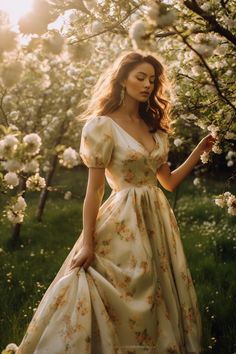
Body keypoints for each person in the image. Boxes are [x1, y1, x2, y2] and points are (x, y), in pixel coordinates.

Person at [16, 50, 216, 354]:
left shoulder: (155, 128)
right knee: (125, 286)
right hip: (122, 216)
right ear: (122, 78)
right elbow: (94, 191)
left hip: (157, 218)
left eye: (152, 79)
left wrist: (198, 151)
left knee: (157, 289)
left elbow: (168, 182)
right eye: (140, 77)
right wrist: (88, 242)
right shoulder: (102, 126)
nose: (148, 84)